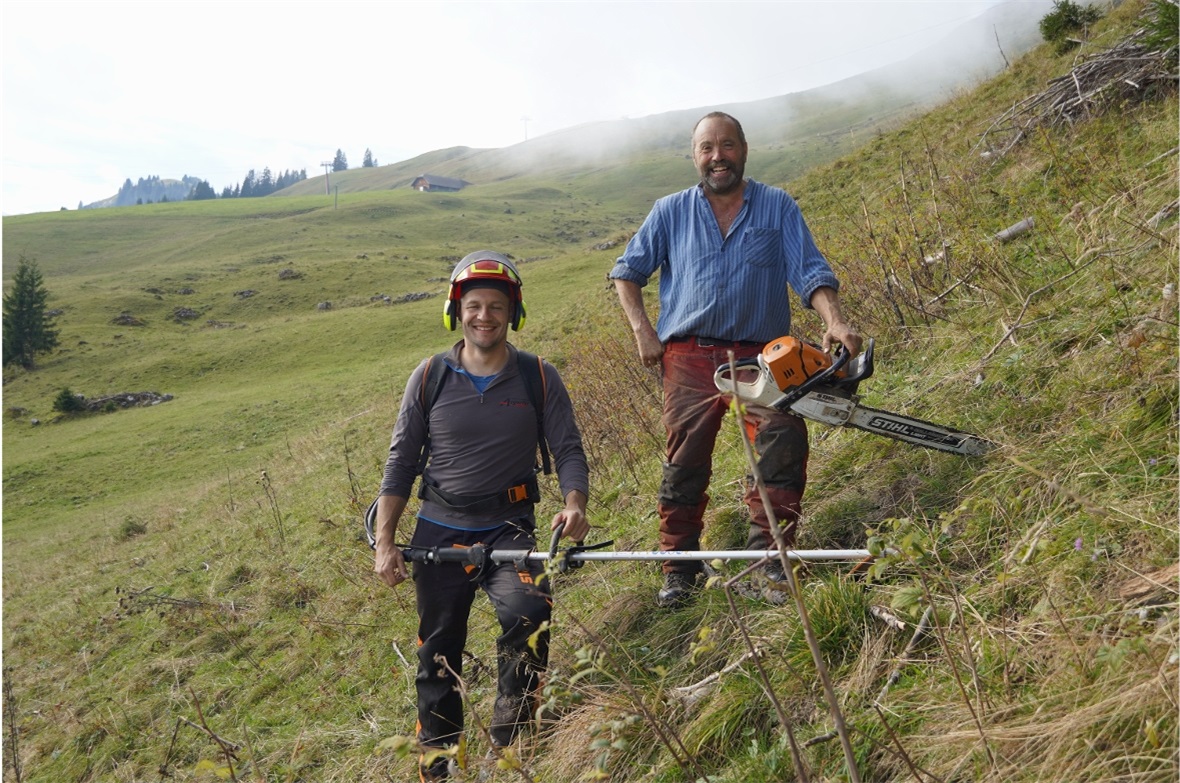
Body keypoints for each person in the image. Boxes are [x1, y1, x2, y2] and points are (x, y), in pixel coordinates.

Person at [607, 111, 862, 608]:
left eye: (726, 145)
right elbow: (626, 272)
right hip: (688, 355)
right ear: (695, 155)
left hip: (762, 355)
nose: (717, 156)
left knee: (781, 441)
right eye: (707, 147)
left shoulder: (778, 207)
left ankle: (770, 562)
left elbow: (810, 271)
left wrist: (834, 320)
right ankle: (678, 567)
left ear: (744, 149)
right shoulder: (669, 211)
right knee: (685, 459)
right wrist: (643, 330)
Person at [372, 250, 590, 782]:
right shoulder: (429, 378)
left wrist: (574, 504)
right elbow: (401, 463)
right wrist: (385, 541)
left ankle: (509, 750)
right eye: (473, 306)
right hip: (438, 532)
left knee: (527, 619)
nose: (484, 316)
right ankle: (438, 768)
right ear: (456, 311)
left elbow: (567, 449)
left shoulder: (538, 376)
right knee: (438, 651)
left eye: (496, 306)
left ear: (512, 313)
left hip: (511, 527)